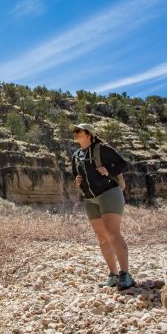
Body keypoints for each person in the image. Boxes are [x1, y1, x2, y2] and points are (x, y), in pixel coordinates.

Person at [70, 123, 135, 290]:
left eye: (78, 131)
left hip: (109, 192)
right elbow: (76, 174)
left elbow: (122, 164)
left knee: (113, 233)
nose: (75, 133)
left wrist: (109, 171)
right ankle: (113, 275)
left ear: (89, 134)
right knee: (102, 237)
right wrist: (77, 181)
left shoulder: (102, 149)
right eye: (74, 131)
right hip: (90, 198)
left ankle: (126, 275)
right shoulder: (76, 155)